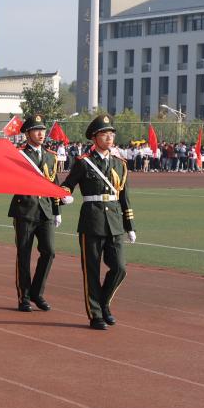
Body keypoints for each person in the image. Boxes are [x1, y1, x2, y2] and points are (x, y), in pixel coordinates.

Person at [60, 114, 136, 331]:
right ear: (94, 138)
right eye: (104, 134)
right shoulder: (84, 162)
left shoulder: (120, 164)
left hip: (114, 221)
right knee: (91, 271)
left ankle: (103, 303)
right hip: (92, 220)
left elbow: (124, 197)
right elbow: (67, 184)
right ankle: (95, 315)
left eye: (111, 134)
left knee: (119, 268)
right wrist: (64, 195)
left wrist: (129, 225)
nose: (109, 138)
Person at [8, 114, 61, 312]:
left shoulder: (50, 156)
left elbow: (53, 183)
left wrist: (56, 210)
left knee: (49, 252)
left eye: (43, 130)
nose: (41, 134)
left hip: (45, 210)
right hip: (24, 209)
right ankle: (24, 297)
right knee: (24, 254)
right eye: (37, 130)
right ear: (28, 133)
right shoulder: (18, 154)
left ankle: (37, 292)